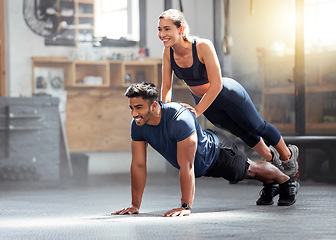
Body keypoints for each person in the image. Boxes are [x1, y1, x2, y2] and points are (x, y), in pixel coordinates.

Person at [111, 82, 299, 218]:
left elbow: (187, 165)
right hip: (201, 163)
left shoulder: (178, 119)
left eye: (138, 107)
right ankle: (270, 184)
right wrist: (135, 205)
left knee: (250, 170)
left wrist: (185, 206)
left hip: (216, 152)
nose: (134, 113)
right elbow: (138, 164)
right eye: (131, 108)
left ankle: (285, 181)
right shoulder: (138, 125)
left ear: (153, 105)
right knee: (249, 172)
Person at [157, 9, 299, 183]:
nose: (162, 34)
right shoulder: (168, 53)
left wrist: (196, 111)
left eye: (166, 29)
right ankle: (271, 160)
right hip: (206, 103)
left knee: (256, 126)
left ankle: (288, 156)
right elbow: (166, 87)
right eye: (159, 29)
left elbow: (216, 84)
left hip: (227, 95)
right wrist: (165, 116)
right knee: (240, 132)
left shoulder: (202, 46)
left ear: (181, 29)